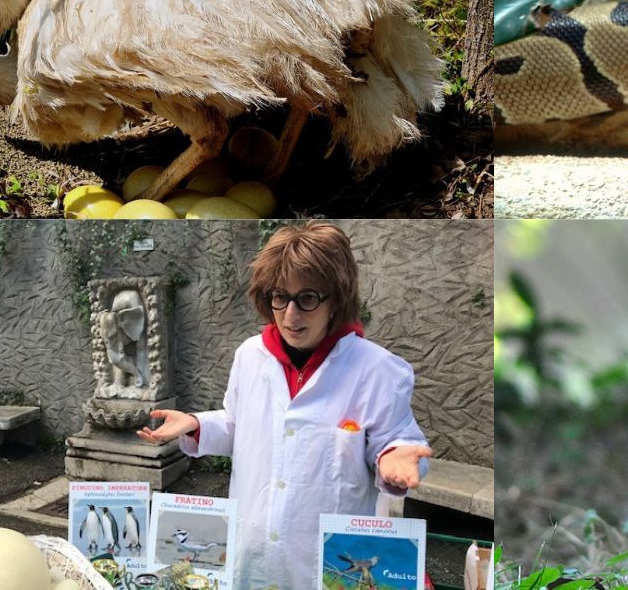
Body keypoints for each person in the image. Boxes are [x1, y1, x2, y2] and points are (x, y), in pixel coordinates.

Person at [138, 222, 432, 589]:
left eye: (308, 298)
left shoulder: (378, 369)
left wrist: (394, 456)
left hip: (324, 557)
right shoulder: (250, 356)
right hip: (253, 544)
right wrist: (195, 424)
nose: (291, 315)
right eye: (280, 297)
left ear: (336, 299)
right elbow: (237, 424)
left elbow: (399, 442)